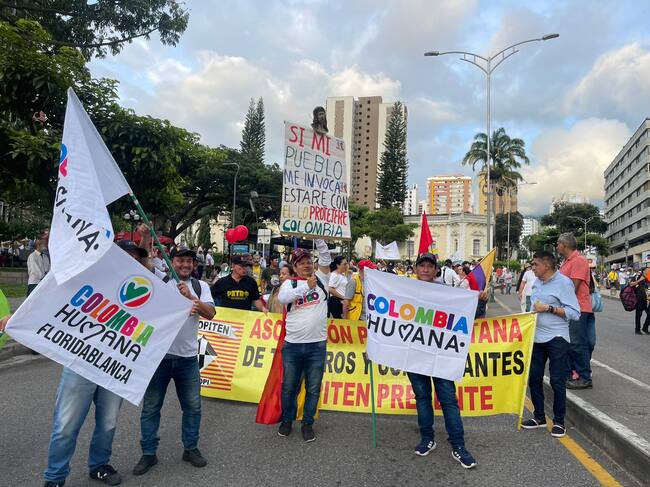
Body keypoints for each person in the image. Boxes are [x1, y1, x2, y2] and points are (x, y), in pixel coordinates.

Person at [1, 238, 151, 487]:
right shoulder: (89, 278)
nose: (131, 261)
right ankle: (55, 477)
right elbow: (53, 298)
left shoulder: (145, 291)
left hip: (114, 366)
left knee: (108, 423)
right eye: (127, 256)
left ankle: (99, 465)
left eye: (136, 258)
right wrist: (19, 317)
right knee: (66, 424)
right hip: (81, 363)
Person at [133, 245, 216, 476]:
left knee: (193, 407)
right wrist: (146, 238)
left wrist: (191, 298)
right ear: (171, 262)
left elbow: (211, 313)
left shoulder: (200, 286)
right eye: (180, 260)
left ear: (194, 264)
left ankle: (190, 448)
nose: (185, 265)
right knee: (151, 408)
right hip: (158, 357)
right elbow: (143, 264)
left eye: (189, 261)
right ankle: (148, 453)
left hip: (188, 358)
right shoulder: (161, 280)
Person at [405, 253, 477, 468]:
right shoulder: (405, 291)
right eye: (422, 266)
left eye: (430, 266)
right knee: (422, 397)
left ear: (436, 270)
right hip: (415, 355)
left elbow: (465, 308)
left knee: (448, 400)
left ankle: (458, 445)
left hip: (441, 355)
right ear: (416, 269)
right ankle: (427, 438)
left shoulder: (447, 292)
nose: (425, 269)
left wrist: (479, 298)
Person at [521, 251, 580, 438]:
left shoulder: (564, 283)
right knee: (534, 378)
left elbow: (575, 313)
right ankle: (539, 417)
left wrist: (549, 308)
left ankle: (559, 421)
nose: (532, 268)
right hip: (536, 337)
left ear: (546, 265)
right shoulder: (537, 282)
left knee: (556, 380)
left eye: (535, 264)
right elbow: (533, 307)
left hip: (557, 338)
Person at [276, 240, 331, 442]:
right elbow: (283, 299)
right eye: (301, 263)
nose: (306, 265)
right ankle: (287, 420)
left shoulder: (322, 279)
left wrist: (320, 239)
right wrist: (306, 287)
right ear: (295, 266)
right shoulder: (289, 284)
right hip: (293, 346)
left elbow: (326, 258)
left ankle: (307, 423)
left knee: (313, 388)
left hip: (317, 345)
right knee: (289, 387)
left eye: (309, 261)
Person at [557, 233, 595, 390]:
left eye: (558, 244)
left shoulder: (578, 260)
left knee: (578, 343)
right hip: (573, 308)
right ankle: (573, 372)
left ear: (565, 245)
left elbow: (572, 287)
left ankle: (584, 376)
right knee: (576, 343)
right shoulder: (566, 262)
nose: (557, 247)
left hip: (578, 308)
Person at [26, 231, 50, 296]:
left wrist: (48, 277)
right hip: (34, 283)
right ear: (38, 245)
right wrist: (44, 278)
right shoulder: (32, 256)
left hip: (43, 283)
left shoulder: (45, 256)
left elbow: (48, 268)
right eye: (44, 244)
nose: (46, 246)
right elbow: (35, 270)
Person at [629, 270, 650, 335]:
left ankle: (645, 328)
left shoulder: (649, 277)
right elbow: (631, 284)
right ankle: (637, 329)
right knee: (639, 314)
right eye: (647, 270)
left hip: (648, 299)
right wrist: (640, 280)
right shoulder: (637, 276)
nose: (648, 271)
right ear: (643, 271)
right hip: (640, 298)